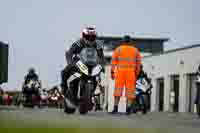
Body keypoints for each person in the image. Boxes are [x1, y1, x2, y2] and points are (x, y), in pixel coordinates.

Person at [61, 26, 105, 107]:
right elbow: (70, 51)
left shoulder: (98, 44)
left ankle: (90, 95)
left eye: (92, 37)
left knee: (96, 79)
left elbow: (101, 56)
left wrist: (102, 65)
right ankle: (63, 87)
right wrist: (70, 62)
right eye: (88, 37)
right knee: (64, 71)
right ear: (83, 36)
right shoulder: (79, 42)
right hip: (79, 62)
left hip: (92, 64)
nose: (90, 38)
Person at [111, 35, 142, 115]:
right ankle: (128, 109)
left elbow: (113, 62)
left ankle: (115, 108)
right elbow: (138, 64)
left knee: (118, 91)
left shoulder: (118, 49)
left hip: (120, 73)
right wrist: (137, 73)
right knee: (130, 91)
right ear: (130, 41)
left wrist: (112, 72)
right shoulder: (135, 50)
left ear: (123, 41)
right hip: (131, 73)